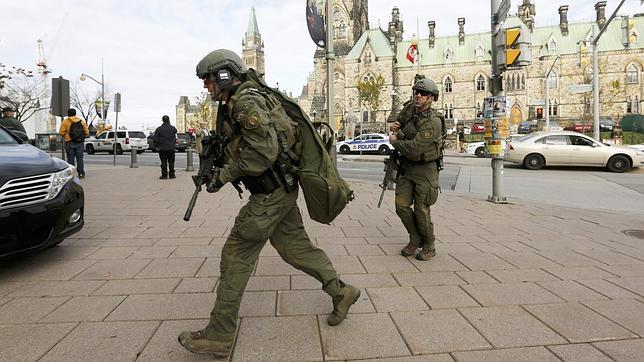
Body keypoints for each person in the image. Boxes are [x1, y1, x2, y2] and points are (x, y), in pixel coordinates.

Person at [177, 49, 360, 358]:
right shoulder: (241, 99)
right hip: (280, 191)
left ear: (224, 76)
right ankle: (342, 291)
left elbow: (262, 153)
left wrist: (223, 175)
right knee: (296, 248)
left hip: (269, 194)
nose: (207, 88)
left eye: (209, 81)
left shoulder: (246, 102)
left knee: (235, 254)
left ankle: (219, 334)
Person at [389, 78, 444, 261]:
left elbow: (414, 148)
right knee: (401, 206)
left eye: (424, 94)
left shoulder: (433, 121)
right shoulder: (410, 108)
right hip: (407, 167)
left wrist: (397, 140)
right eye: (416, 92)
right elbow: (399, 122)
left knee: (421, 209)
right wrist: (396, 126)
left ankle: (429, 244)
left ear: (432, 98)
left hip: (425, 170)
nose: (418, 96)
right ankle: (415, 237)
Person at [59, 108, 89, 178]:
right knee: (80, 159)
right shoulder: (81, 121)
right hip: (80, 142)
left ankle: (72, 175)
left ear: (68, 114)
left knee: (70, 160)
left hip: (69, 142)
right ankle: (81, 174)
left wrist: (67, 136)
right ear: (75, 113)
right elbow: (87, 132)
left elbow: (61, 132)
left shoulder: (65, 122)